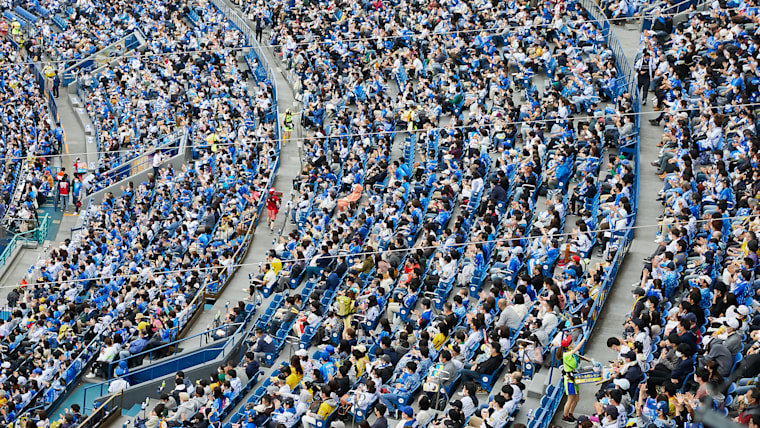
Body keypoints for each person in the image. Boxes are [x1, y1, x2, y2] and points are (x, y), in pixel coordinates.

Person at [561, 335, 586, 422]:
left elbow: (580, 356)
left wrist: (592, 361)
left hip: (574, 378)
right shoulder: (566, 354)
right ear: (568, 346)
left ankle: (571, 413)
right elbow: (578, 348)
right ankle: (565, 416)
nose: (573, 343)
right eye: (571, 342)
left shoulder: (570, 352)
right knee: (570, 399)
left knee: (576, 398)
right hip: (569, 380)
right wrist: (583, 339)